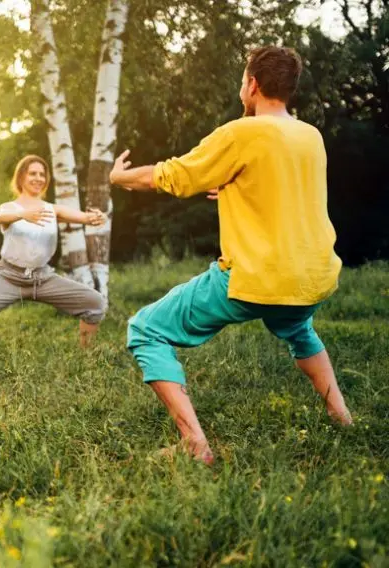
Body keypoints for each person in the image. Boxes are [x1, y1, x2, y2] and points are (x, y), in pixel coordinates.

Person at [109, 46, 352, 464]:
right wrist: (234, 187)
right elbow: (288, 193)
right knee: (298, 330)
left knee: (145, 329)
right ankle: (342, 418)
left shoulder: (241, 133)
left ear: (252, 85)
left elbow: (174, 176)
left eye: (243, 80)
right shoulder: (310, 136)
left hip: (256, 278)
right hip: (312, 276)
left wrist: (120, 177)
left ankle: (194, 444)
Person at [0, 155, 108, 349]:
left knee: (94, 301)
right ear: (21, 177)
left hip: (42, 278)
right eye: (33, 173)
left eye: (42, 174)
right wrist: (23, 214)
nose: (38, 178)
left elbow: (83, 217)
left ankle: (87, 355)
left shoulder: (51, 209)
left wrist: (95, 217)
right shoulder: (10, 208)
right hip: (8, 276)